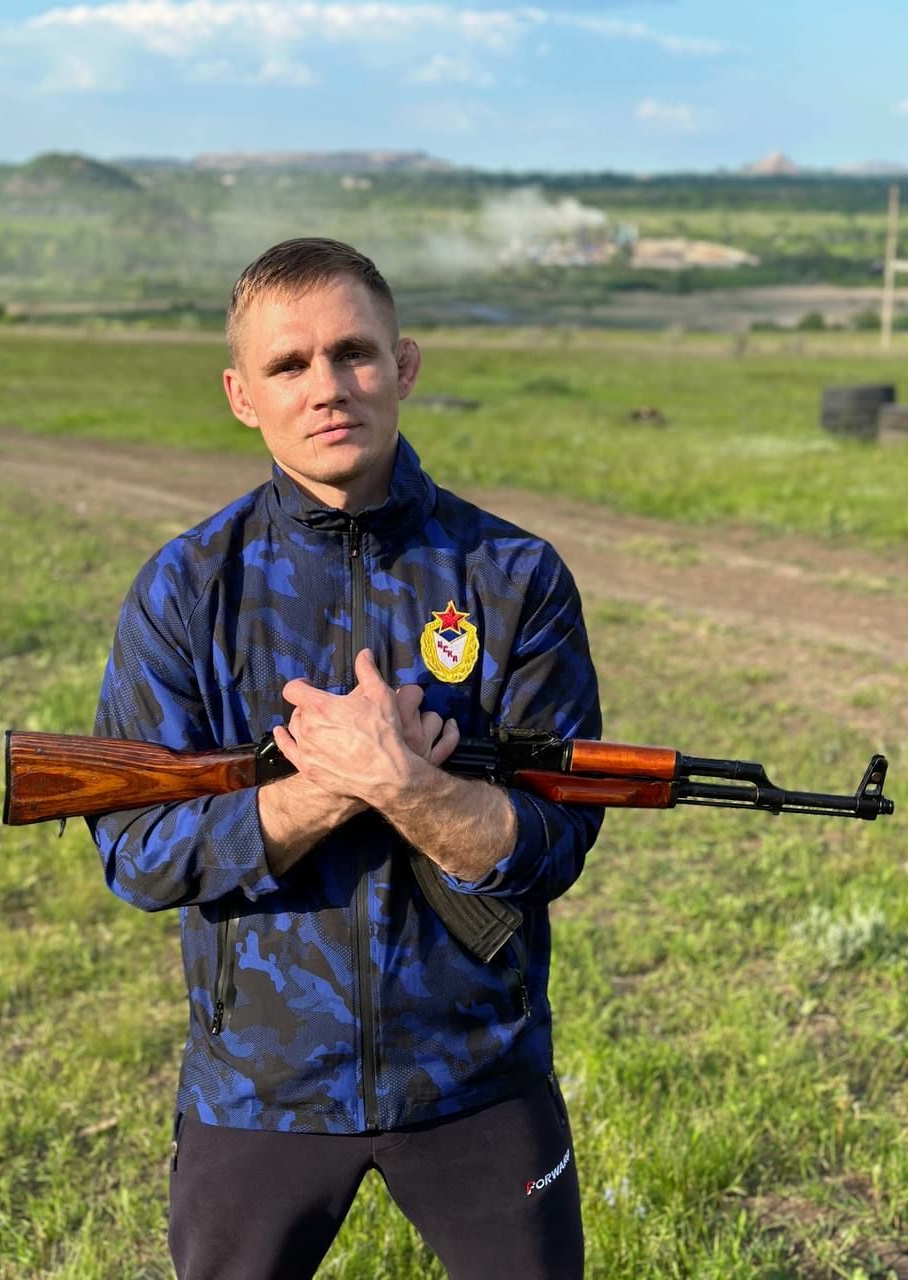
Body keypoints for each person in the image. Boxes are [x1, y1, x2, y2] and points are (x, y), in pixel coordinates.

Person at [89, 237, 603, 1280]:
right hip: (258, 1082)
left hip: (477, 1072)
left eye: (353, 352)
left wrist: (407, 785)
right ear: (242, 395)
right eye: (288, 364)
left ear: (402, 365)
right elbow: (137, 851)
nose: (326, 386)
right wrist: (327, 787)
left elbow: (555, 844)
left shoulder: (513, 576)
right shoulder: (186, 589)